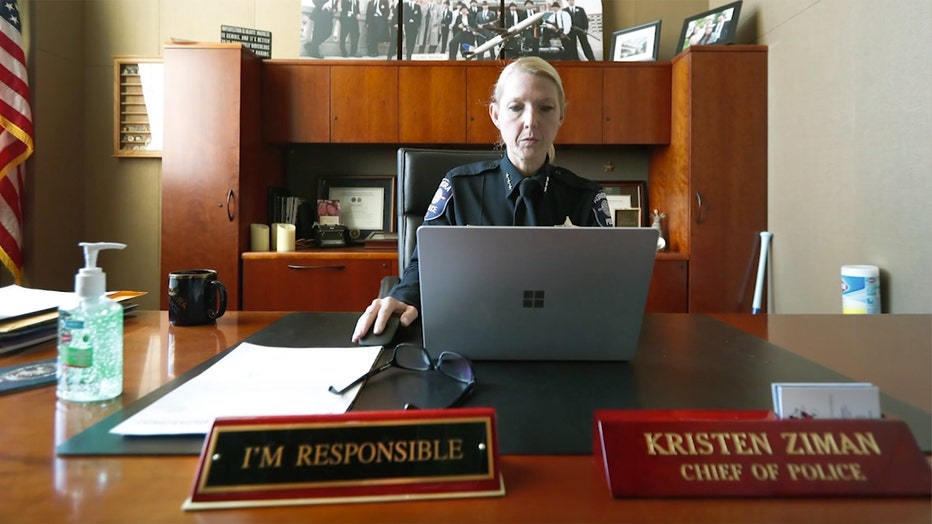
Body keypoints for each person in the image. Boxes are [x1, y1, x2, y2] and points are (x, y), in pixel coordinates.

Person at [352, 56, 613, 343]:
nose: (530, 121)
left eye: (546, 108)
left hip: (560, 338)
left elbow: (607, 284)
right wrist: (403, 297)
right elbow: (424, 262)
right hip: (472, 335)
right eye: (516, 107)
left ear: (561, 115)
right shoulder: (459, 188)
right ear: (496, 115)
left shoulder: (587, 198)